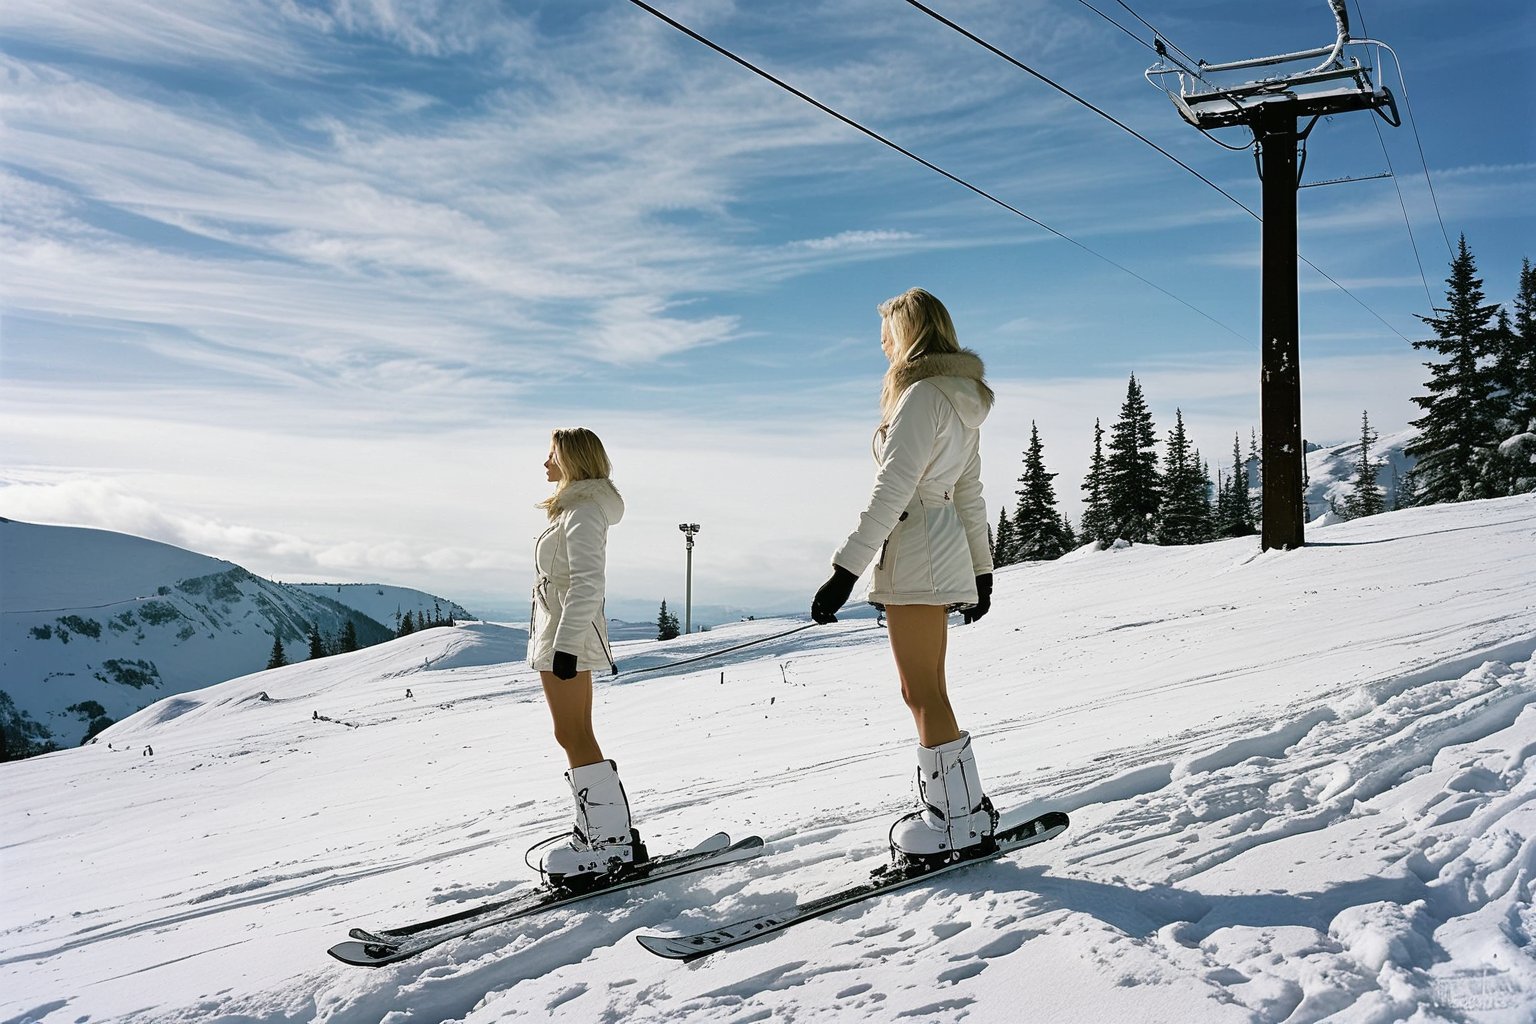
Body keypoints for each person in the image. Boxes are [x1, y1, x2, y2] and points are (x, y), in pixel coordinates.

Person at [810, 287, 997, 866]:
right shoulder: (961, 399)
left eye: (889, 335)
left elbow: (891, 491)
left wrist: (844, 571)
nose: (885, 347)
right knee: (928, 689)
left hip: (917, 551)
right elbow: (968, 492)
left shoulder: (920, 397)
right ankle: (962, 811)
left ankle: (954, 820)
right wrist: (981, 569)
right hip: (940, 550)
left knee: (921, 691)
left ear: (910, 334)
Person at [528, 427, 645, 885]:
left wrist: (566, 646)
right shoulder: (576, 507)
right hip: (561, 637)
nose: (545, 463)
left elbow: (587, 583)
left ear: (574, 459)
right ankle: (603, 834)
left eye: (552, 454)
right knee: (572, 733)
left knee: (573, 733)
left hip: (566, 639)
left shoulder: (583, 510)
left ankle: (609, 843)